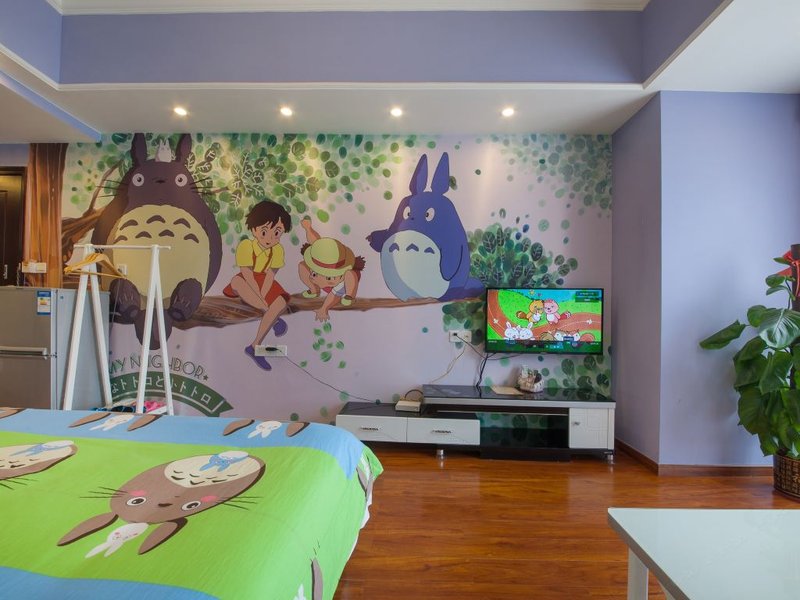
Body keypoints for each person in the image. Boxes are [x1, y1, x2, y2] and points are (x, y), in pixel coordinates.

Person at [223, 200, 291, 370]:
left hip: (264, 282)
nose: (270, 238)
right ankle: (273, 318)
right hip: (247, 280)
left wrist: (263, 295)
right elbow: (247, 274)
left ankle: (254, 346)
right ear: (254, 229)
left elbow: (270, 276)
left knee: (281, 301)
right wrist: (263, 301)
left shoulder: (278, 250)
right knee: (236, 282)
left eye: (277, 233)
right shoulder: (246, 246)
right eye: (264, 231)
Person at [298, 217, 365, 322]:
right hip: (325, 280)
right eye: (314, 273)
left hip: (342, 282)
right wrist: (308, 228)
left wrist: (324, 309)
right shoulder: (318, 261)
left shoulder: (341, 280)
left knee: (350, 275)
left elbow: (334, 295)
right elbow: (315, 242)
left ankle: (349, 296)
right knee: (302, 265)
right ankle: (314, 290)